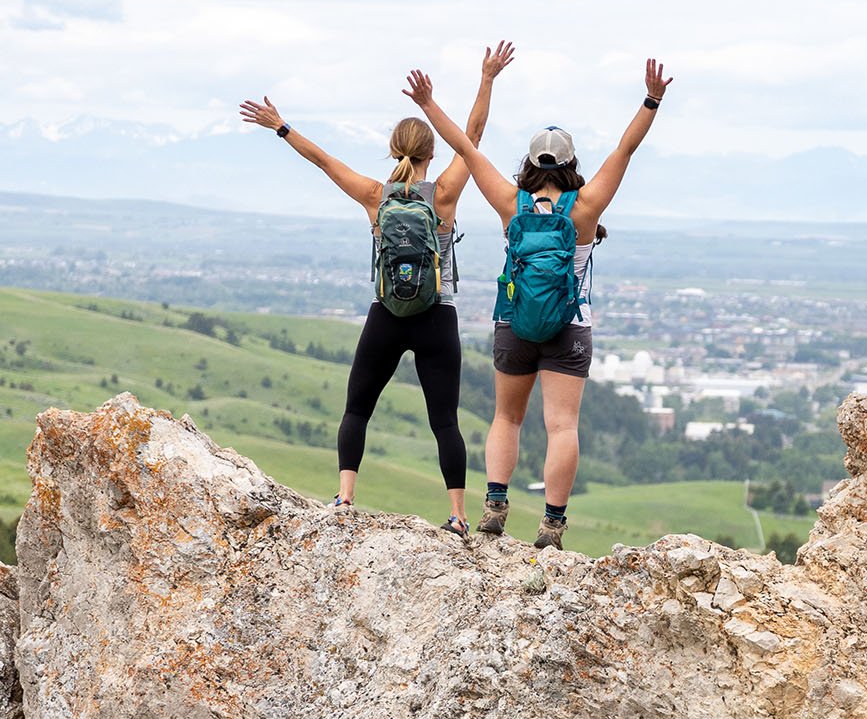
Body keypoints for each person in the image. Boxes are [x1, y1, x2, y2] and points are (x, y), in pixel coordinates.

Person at [238, 42, 514, 534]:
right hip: (438, 314)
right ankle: (457, 515)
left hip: (385, 314)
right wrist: (487, 78)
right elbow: (471, 135)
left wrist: (279, 126)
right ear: (431, 153)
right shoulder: (445, 194)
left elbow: (322, 160)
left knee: (357, 408)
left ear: (393, 152)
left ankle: (345, 500)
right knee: (444, 422)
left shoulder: (374, 195)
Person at [403, 58, 673, 548]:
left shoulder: (512, 202)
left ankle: (495, 508)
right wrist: (651, 99)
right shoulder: (587, 206)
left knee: (507, 417)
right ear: (570, 165)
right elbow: (625, 149)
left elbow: (465, 146)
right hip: (570, 325)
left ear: (529, 164)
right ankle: (551, 524)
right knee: (562, 425)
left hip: (514, 322)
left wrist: (427, 103)